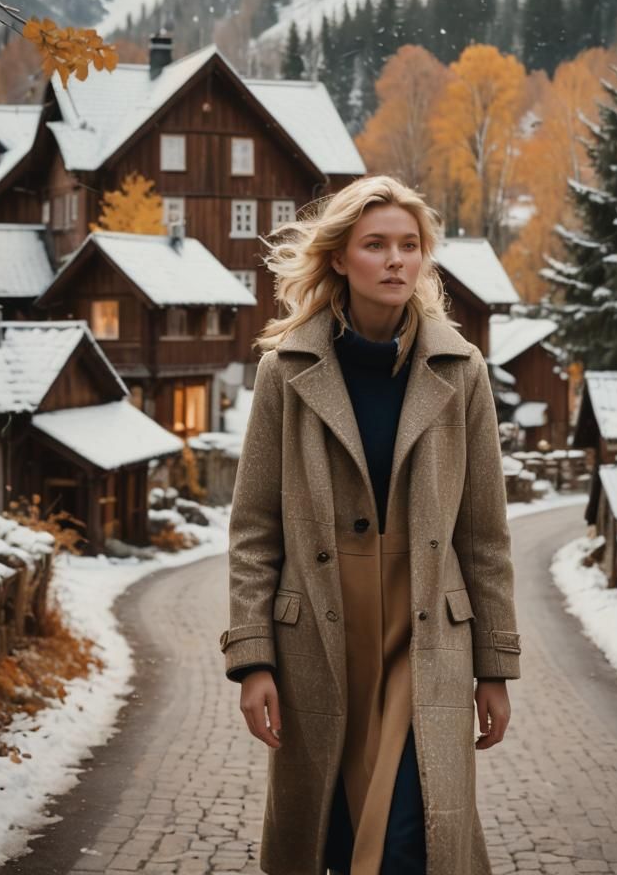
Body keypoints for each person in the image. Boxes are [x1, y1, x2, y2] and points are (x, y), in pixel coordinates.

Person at [219, 175, 522, 875]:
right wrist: (253, 660)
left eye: (410, 246)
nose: (396, 261)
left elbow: (484, 536)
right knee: (331, 827)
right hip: (319, 640)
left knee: (412, 839)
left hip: (426, 639)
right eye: (376, 245)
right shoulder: (285, 371)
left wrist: (494, 669)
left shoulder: (462, 370)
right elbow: (255, 530)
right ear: (338, 258)